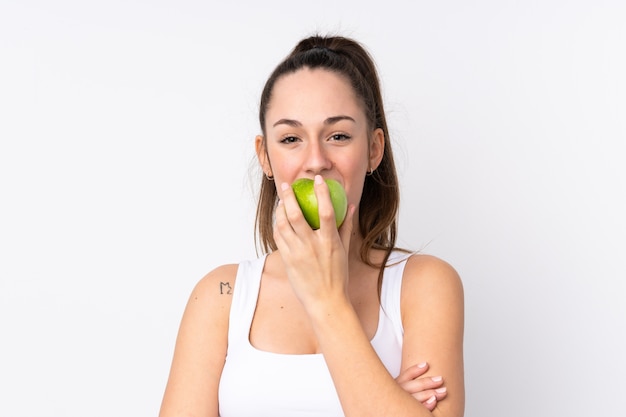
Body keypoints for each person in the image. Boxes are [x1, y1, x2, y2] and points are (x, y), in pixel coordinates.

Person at [159, 34, 465, 417]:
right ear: (265, 157)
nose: (316, 160)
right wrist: (385, 400)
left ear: (373, 149)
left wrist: (327, 300)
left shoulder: (424, 285)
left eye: (338, 135)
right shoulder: (221, 295)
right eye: (290, 138)